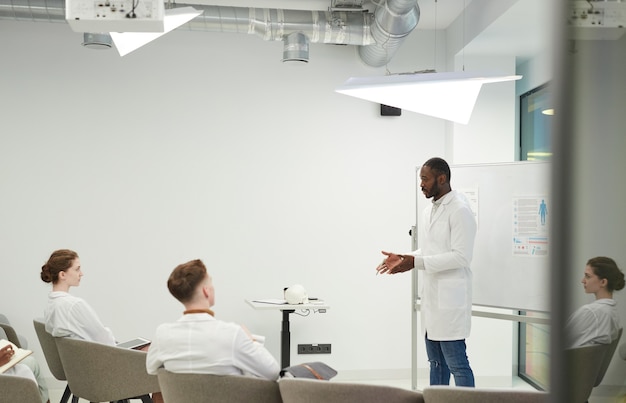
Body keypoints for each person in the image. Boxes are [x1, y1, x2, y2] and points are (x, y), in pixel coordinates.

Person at [376, 157, 477, 387]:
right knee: (436, 363)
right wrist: (404, 257)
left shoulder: (460, 210)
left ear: (442, 179)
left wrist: (415, 262)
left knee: (457, 365)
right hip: (432, 301)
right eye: (420, 179)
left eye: (425, 179)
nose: (421, 184)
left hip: (451, 302)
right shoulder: (428, 211)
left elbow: (462, 256)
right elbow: (431, 250)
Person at [146, 259, 280, 380]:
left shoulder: (163, 333)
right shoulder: (232, 334)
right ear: (206, 291)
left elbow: (151, 369)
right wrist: (251, 340)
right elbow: (273, 372)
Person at [40, 249, 116, 345]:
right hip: (104, 357)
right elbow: (104, 339)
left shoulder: (51, 306)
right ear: (62, 274)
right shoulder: (74, 305)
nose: (81, 273)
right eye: (77, 269)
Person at [565, 256, 625, 348]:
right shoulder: (611, 311)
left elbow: (560, 340)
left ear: (603, 282)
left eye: (587, 276)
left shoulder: (590, 312)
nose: (582, 280)